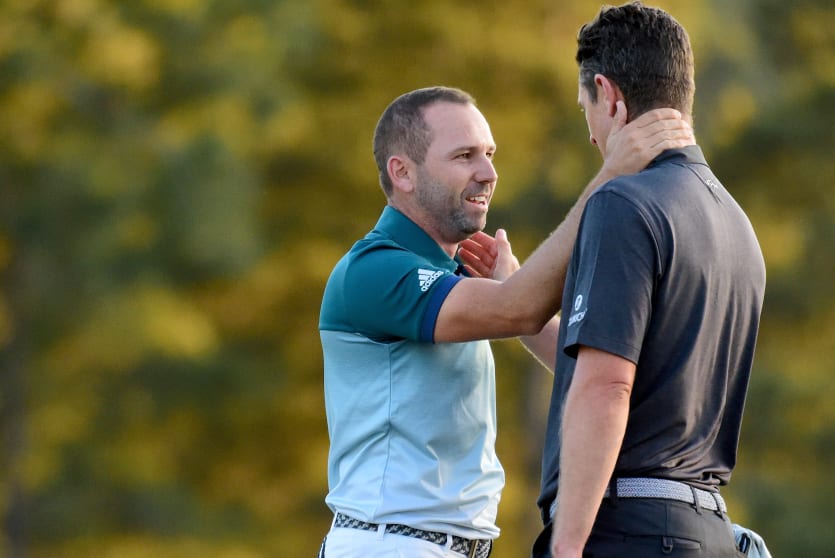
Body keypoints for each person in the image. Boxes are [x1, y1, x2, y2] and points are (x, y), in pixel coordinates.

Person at [317, 85, 695, 558]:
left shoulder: (452, 276)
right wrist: (611, 179)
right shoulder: (374, 270)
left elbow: (578, 362)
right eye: (464, 156)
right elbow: (519, 307)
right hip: (389, 545)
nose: (489, 173)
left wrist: (511, 288)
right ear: (403, 173)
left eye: (489, 154)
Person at [531, 3, 767, 558]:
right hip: (708, 533)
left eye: (587, 109)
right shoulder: (736, 223)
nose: (593, 135)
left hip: (630, 533)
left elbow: (608, 387)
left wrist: (567, 546)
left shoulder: (622, 203)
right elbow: (645, 374)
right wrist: (520, 300)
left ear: (609, 96)